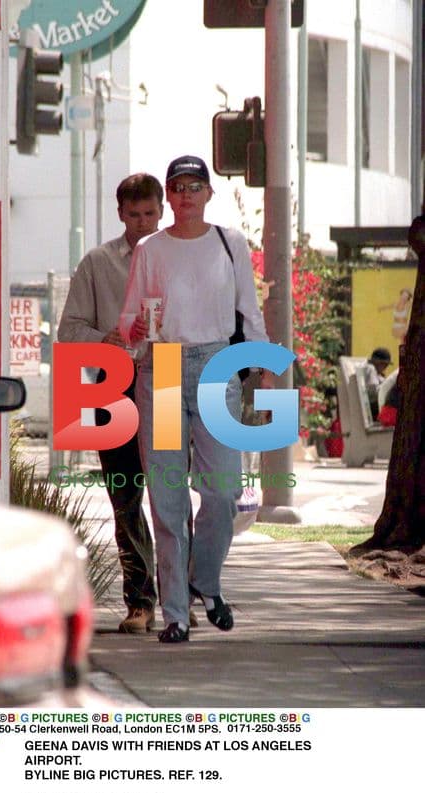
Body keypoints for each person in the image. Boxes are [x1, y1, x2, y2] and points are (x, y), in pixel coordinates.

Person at [119, 155, 273, 643]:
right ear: (169, 198)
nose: (186, 195)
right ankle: (176, 616)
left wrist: (267, 368)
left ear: (208, 193)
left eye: (194, 186)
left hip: (216, 366)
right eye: (177, 187)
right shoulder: (149, 249)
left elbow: (248, 310)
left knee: (224, 491)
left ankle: (203, 579)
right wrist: (135, 330)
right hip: (162, 368)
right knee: (167, 501)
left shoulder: (230, 244)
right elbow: (128, 326)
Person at [57, 173, 164, 634]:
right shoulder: (98, 263)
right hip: (111, 385)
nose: (142, 223)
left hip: (167, 381)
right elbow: (68, 330)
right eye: (133, 214)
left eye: (149, 213)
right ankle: (139, 601)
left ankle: (179, 594)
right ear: (120, 213)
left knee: (170, 494)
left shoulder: (179, 259)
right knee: (125, 496)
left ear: (161, 211)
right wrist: (105, 337)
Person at [363, 347, 392, 420]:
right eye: (383, 364)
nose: (385, 367)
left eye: (387, 365)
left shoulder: (377, 373)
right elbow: (374, 392)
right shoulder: (370, 368)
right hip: (371, 406)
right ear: (375, 361)